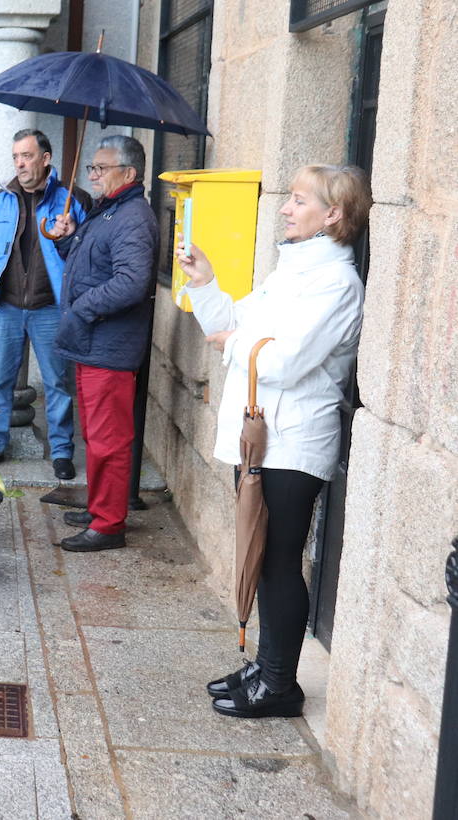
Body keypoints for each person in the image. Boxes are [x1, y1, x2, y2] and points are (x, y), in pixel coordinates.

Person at [181, 164, 369, 719]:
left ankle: (281, 684)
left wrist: (234, 340)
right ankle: (267, 666)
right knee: (263, 559)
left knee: (279, 562)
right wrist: (205, 282)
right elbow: (238, 323)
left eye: (299, 199)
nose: (285, 208)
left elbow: (283, 362)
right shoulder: (295, 270)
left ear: (332, 215)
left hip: (293, 443)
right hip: (262, 440)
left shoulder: (337, 284)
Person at [47, 134, 159, 552]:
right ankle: (100, 508)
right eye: (91, 167)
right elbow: (90, 265)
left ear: (128, 173)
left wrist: (81, 307)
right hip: (92, 343)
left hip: (108, 347)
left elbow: (131, 282)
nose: (92, 175)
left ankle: (109, 524)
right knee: (95, 435)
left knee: (108, 439)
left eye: (100, 168)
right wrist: (66, 238)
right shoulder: (108, 211)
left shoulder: (131, 216)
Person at [0, 128, 89, 478]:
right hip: (7, 307)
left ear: (46, 158)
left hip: (50, 308)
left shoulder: (72, 200)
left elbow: (88, 256)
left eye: (28, 156)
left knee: (57, 383)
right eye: (16, 157)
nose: (21, 163)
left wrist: (71, 237)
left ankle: (62, 452)